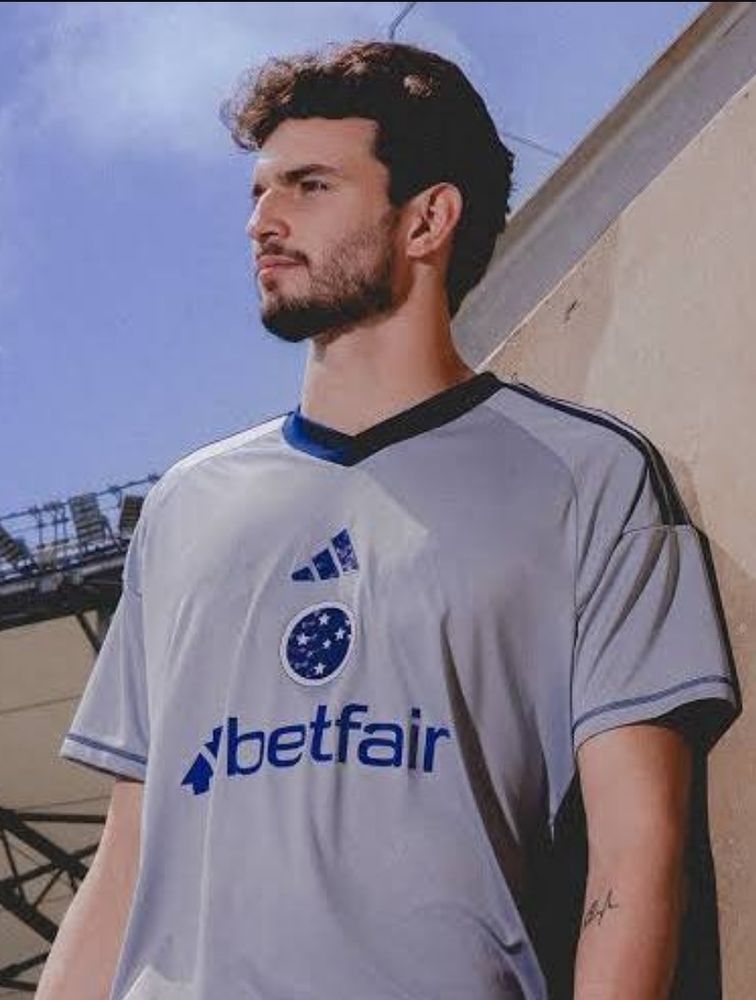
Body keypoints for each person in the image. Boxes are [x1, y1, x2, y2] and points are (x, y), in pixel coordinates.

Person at [39, 39, 742, 1000]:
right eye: (258, 193)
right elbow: (122, 867)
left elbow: (636, 853)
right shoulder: (185, 508)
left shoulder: (586, 477)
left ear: (427, 219)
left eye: (310, 186)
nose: (263, 222)